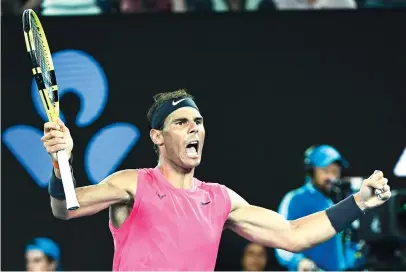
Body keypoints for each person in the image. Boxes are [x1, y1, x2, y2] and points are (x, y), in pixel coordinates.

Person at [42, 89, 391, 270]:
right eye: (181, 122)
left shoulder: (220, 199)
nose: (194, 127)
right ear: (157, 137)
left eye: (198, 121)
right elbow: (66, 208)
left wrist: (358, 202)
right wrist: (62, 164)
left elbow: (293, 236)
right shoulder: (133, 184)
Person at [275, 145, 366, 271]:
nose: (332, 177)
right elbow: (280, 238)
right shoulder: (295, 199)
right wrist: (298, 262)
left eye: (335, 172)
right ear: (311, 171)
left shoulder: (343, 198)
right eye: (326, 171)